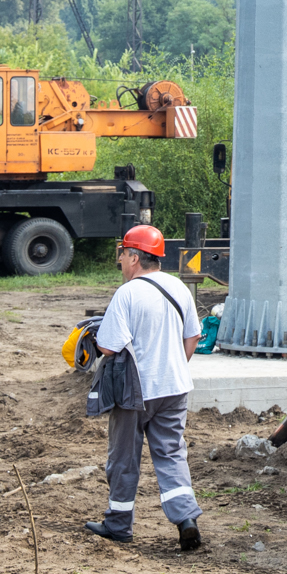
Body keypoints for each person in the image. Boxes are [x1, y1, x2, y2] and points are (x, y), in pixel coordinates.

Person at [85, 224, 205, 550]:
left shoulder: (127, 293)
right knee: (170, 454)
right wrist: (175, 367)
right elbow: (192, 336)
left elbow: (109, 347)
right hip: (175, 387)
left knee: (123, 458)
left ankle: (118, 525)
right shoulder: (179, 287)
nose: (121, 262)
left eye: (123, 255)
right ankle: (186, 520)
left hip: (135, 391)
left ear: (135, 257)